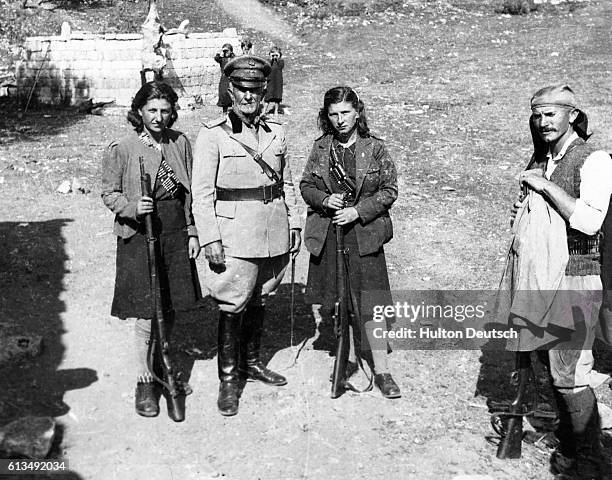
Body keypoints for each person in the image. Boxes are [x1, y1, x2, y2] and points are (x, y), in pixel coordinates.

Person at [506, 84, 612, 479]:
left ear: (572, 113)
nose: (542, 121)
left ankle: (590, 464)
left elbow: (588, 221)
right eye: (537, 114)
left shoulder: (594, 159)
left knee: (570, 374)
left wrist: (545, 187)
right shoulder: (544, 157)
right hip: (541, 273)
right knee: (553, 368)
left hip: (576, 277)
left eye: (551, 113)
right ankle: (570, 451)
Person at [191, 55, 302, 417]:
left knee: (260, 299)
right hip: (233, 233)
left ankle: (251, 364)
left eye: (255, 89)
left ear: (264, 91)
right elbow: (202, 194)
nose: (248, 96)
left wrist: (295, 223)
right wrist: (210, 240)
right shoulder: (211, 135)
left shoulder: (277, 132)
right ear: (230, 90)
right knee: (233, 302)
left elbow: (284, 182)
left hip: (271, 230)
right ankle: (228, 380)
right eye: (242, 89)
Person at [101, 81, 201, 418]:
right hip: (140, 231)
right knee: (148, 309)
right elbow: (109, 193)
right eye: (151, 110)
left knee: (169, 304)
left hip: (173, 229)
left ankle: (163, 363)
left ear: (173, 112)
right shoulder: (123, 147)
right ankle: (145, 380)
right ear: (139, 111)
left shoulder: (180, 142)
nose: (158, 117)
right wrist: (132, 207)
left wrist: (192, 232)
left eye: (164, 110)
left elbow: (190, 194)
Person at [300, 86, 401, 399]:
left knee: (371, 305)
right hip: (331, 235)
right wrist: (324, 200)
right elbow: (306, 185)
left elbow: (389, 190)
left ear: (358, 112)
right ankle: (347, 361)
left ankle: (382, 370)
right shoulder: (321, 147)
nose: (339, 120)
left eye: (345, 112)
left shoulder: (376, 149)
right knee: (338, 302)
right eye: (333, 114)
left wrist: (358, 211)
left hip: (365, 236)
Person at [214, 43, 235, 113]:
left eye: (227, 51)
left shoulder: (233, 59)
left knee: (233, 96)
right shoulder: (222, 59)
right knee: (223, 96)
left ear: (231, 51)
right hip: (224, 79)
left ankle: (235, 112)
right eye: (224, 51)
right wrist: (220, 51)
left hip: (232, 79)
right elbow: (216, 58)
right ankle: (224, 112)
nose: (226, 52)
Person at [263, 46, 284, 116]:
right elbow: (266, 67)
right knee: (268, 96)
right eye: (273, 55)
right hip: (270, 81)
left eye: (276, 55)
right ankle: (264, 111)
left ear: (280, 55)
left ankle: (276, 111)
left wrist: (277, 59)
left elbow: (281, 66)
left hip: (278, 81)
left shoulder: (281, 61)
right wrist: (271, 59)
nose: (275, 57)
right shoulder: (268, 62)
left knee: (277, 97)